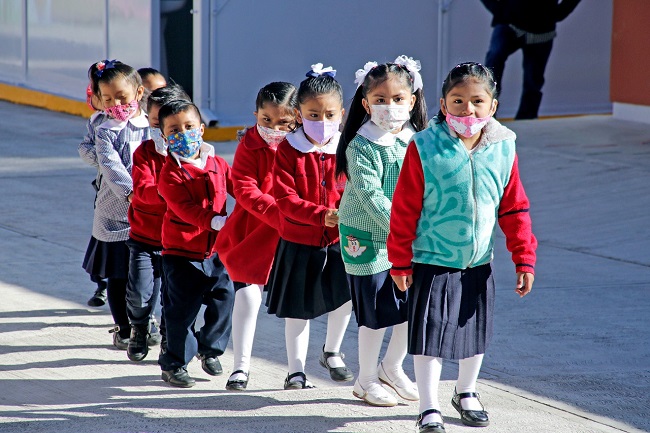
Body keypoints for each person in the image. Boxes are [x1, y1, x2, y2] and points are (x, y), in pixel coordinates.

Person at [387, 62, 537, 432]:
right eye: (457, 101)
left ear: (493, 106)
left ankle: (466, 391)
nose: (467, 110)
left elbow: (514, 206)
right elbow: (405, 208)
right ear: (442, 103)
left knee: (474, 333)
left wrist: (524, 259)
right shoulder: (424, 146)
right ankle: (428, 406)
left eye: (477, 101)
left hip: (477, 261)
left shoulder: (504, 146)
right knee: (429, 335)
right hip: (431, 258)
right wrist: (400, 262)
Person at [335, 55, 427, 407]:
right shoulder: (361, 145)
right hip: (369, 238)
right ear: (365, 103)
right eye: (380, 100)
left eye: (398, 99)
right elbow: (371, 196)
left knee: (410, 305)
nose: (390, 107)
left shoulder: (418, 141)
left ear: (413, 101)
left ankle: (393, 367)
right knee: (374, 312)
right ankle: (366, 377)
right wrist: (406, 230)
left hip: (407, 236)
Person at [266, 64, 354, 390]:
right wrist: (320, 215)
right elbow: (284, 199)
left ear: (342, 113)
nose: (322, 121)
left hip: (341, 240)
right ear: (298, 113)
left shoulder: (348, 147)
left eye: (330, 114)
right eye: (313, 114)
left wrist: (348, 212)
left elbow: (357, 187)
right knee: (298, 309)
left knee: (345, 297)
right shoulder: (287, 150)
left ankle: (332, 350)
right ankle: (295, 370)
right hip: (300, 240)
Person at [215, 82, 297, 391]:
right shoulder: (249, 145)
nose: (274, 129)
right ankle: (241, 367)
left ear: (298, 118)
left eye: (284, 123)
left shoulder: (305, 146)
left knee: (294, 304)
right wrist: (280, 214)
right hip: (252, 232)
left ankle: (296, 370)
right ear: (256, 115)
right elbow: (244, 188)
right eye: (266, 120)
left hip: (292, 236)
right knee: (247, 297)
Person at [156, 99, 235, 388]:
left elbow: (237, 187)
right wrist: (213, 221)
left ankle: (209, 348)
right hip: (181, 253)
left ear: (201, 129)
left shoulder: (218, 163)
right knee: (181, 312)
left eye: (189, 127)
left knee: (225, 299)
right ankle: (174, 363)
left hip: (217, 251)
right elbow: (183, 208)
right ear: (165, 138)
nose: (183, 134)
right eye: (174, 130)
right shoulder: (170, 173)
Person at [83, 59, 150, 349]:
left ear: (138, 92)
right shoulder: (101, 125)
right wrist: (131, 192)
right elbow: (109, 164)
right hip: (114, 210)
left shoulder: (150, 123)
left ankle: (146, 322)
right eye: (107, 98)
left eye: (121, 97)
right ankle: (123, 328)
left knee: (147, 273)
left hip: (149, 209)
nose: (115, 104)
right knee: (118, 274)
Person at [125, 84, 190, 362]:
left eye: (175, 125)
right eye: (156, 124)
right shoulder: (144, 153)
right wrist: (174, 189)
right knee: (140, 294)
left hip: (180, 242)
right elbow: (142, 193)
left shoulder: (195, 156)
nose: (165, 131)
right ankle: (139, 327)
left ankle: (169, 342)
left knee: (175, 301)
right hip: (145, 238)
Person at [481, 0, 581, 119]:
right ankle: (486, 117)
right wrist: (500, 10)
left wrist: (557, 14)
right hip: (509, 24)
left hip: (542, 30)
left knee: (533, 79)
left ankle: (526, 121)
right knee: (494, 60)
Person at [79, 72, 109, 308]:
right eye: (105, 97)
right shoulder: (97, 122)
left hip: (141, 197)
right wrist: (106, 158)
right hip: (108, 194)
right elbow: (87, 149)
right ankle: (101, 284)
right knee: (103, 242)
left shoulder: (146, 123)